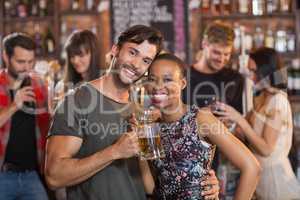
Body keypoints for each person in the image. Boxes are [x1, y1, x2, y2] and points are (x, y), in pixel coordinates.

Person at [45, 25, 219, 200]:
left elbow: (154, 182)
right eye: (133, 52)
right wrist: (114, 152)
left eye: (146, 60)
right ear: (116, 49)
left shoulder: (141, 110)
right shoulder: (76, 102)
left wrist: (202, 182)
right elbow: (54, 176)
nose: (136, 64)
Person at [139, 53, 261, 200]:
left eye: (168, 79)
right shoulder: (151, 126)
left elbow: (252, 168)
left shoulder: (200, 119)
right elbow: (152, 186)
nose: (158, 86)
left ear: (182, 83)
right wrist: (140, 144)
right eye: (152, 79)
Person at [215, 47, 300, 200]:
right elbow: (247, 134)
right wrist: (231, 124)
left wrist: (239, 119)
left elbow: (266, 149)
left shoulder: (278, 101)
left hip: (277, 186)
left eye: (253, 71)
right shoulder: (261, 97)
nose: (250, 76)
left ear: (267, 71)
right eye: (249, 71)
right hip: (260, 183)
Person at [183, 21, 245, 171]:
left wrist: (231, 125)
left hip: (221, 161)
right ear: (204, 44)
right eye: (217, 52)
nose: (222, 59)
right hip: (184, 160)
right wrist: (204, 116)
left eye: (227, 54)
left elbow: (240, 126)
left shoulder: (235, 79)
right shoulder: (183, 76)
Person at [0, 33, 50, 199]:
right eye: (21, 62)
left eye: (31, 62)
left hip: (32, 176)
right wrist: (15, 104)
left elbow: (47, 125)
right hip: (3, 175)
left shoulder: (39, 84)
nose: (27, 68)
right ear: (6, 57)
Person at [54, 29, 101, 101]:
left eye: (81, 55)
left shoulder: (103, 85)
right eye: (72, 56)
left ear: (94, 54)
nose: (75, 61)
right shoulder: (63, 85)